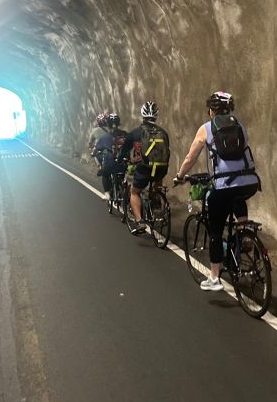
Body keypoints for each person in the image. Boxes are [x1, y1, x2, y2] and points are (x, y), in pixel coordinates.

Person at [173, 91, 259, 291]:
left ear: (211, 110)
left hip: (223, 185)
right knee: (237, 195)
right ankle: (244, 231)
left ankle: (214, 278)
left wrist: (180, 176)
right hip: (249, 182)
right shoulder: (240, 126)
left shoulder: (206, 129)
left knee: (215, 230)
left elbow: (190, 157)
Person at [119, 101, 170, 234]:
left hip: (144, 169)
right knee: (157, 181)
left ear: (142, 115)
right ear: (156, 115)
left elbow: (124, 151)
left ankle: (139, 221)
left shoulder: (135, 133)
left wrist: (121, 159)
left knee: (135, 192)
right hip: (161, 169)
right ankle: (157, 202)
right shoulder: (163, 133)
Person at [93, 113, 127, 197]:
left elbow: (96, 149)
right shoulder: (125, 134)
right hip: (123, 164)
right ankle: (123, 190)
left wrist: (94, 153)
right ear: (118, 123)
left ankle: (107, 193)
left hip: (110, 164)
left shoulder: (104, 137)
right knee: (122, 175)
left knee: (104, 174)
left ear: (108, 124)